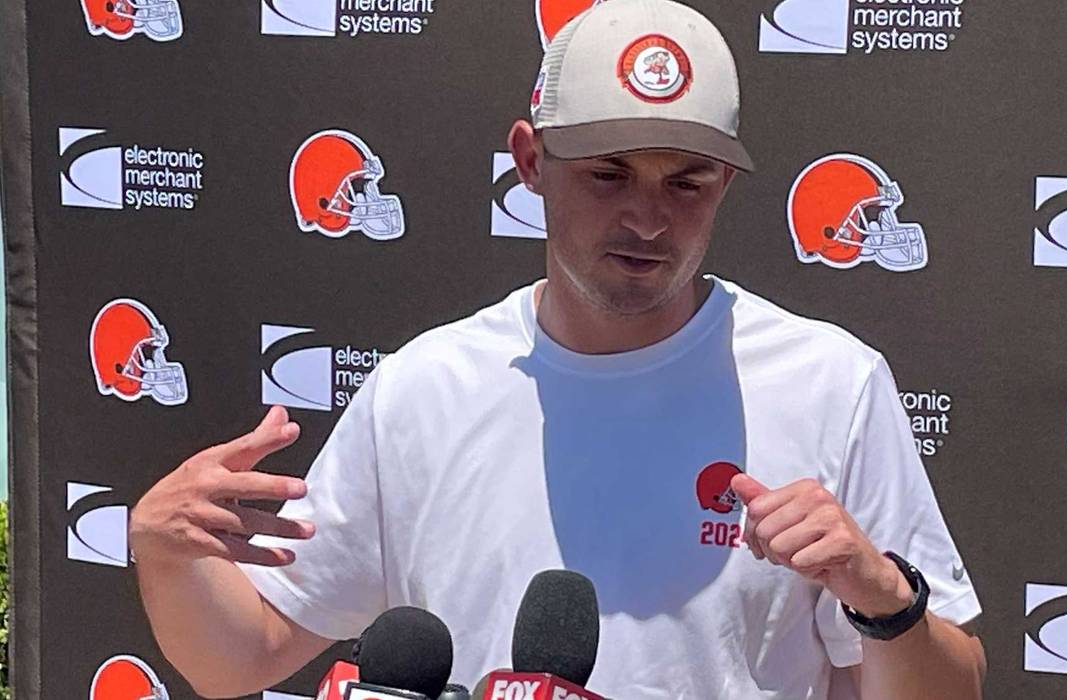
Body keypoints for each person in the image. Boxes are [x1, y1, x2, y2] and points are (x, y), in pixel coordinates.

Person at [129, 0, 986, 698]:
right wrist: (164, 551)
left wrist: (882, 600)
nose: (648, 218)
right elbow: (245, 655)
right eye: (607, 174)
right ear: (530, 161)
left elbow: (949, 688)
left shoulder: (830, 382)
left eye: (684, 181)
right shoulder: (423, 388)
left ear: (724, 183)